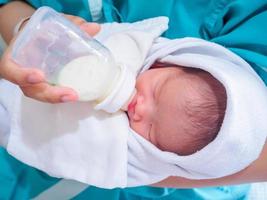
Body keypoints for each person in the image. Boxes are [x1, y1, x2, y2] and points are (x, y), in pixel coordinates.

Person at [0, 0, 267, 199]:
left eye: (151, 128)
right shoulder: (139, 49)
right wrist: (28, 28)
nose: (140, 109)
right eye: (157, 91)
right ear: (168, 62)